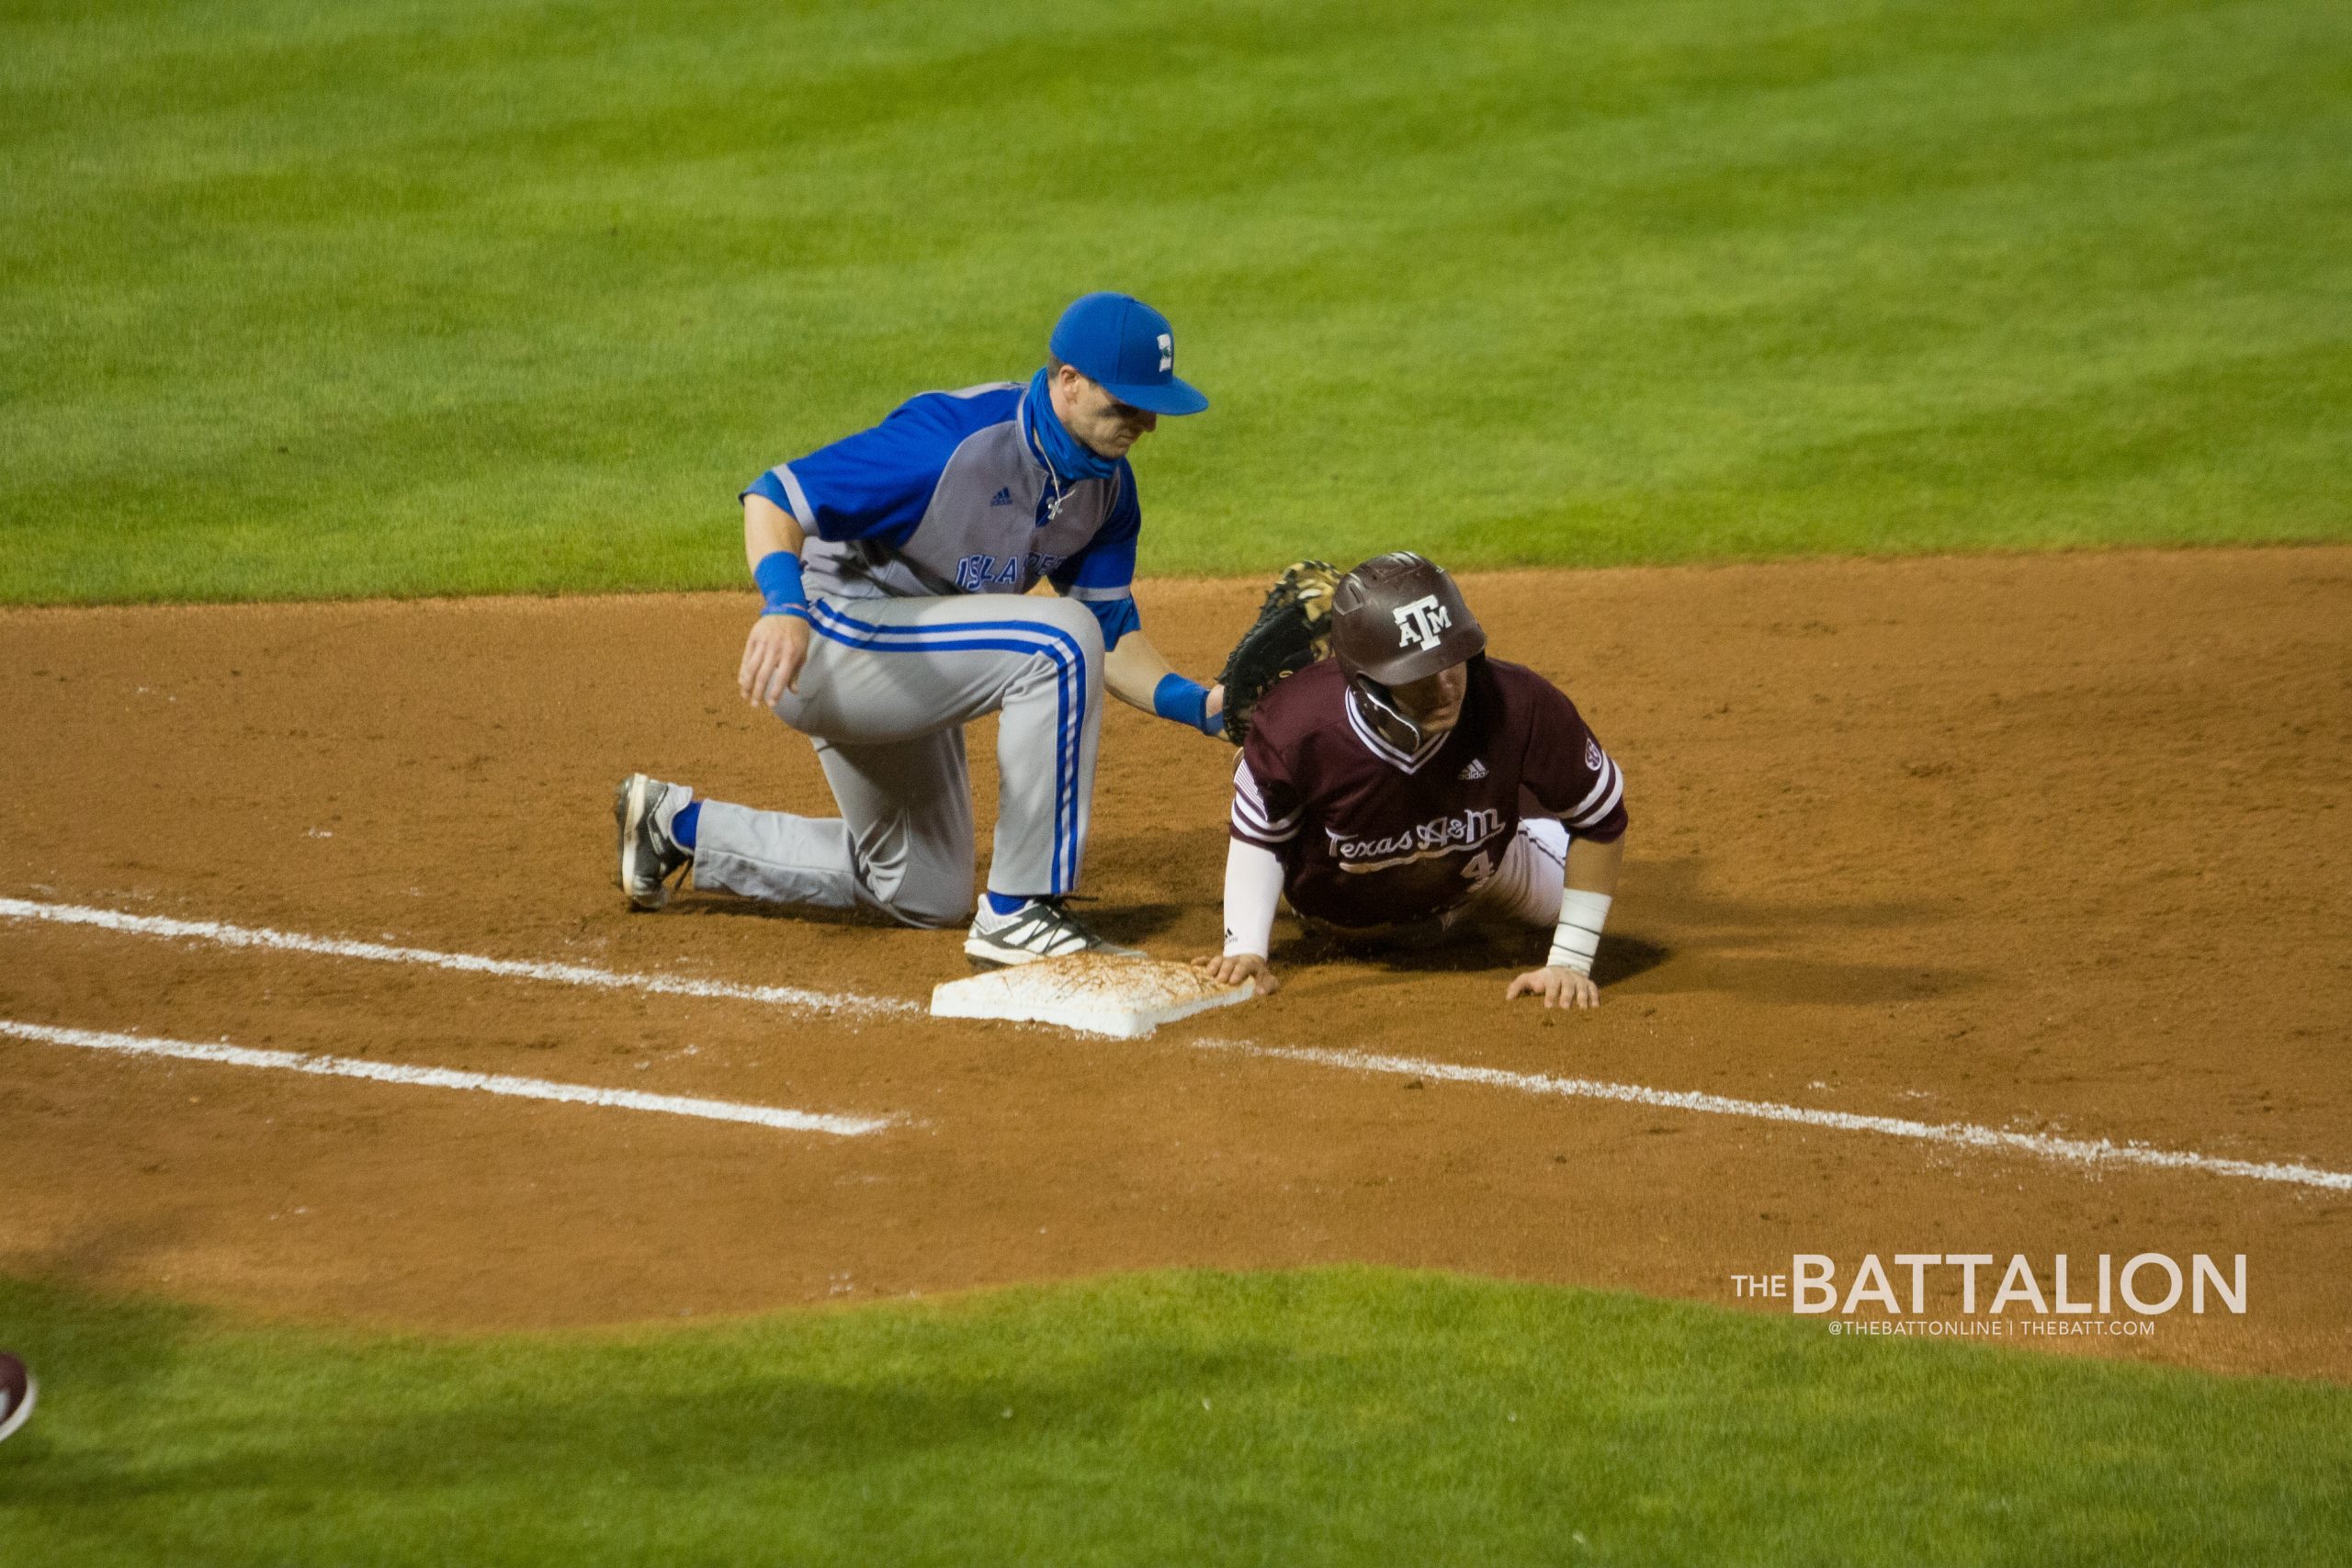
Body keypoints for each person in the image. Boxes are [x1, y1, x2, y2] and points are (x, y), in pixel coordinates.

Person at [616, 292, 1227, 965]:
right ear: (1069, 384)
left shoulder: (1106, 488)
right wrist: (784, 607)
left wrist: (1199, 705)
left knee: (923, 889)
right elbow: (774, 496)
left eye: (1152, 408)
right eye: (1128, 405)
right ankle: (1022, 909)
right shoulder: (951, 442)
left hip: (917, 659)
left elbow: (1108, 633)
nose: (1145, 423)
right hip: (829, 642)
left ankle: (675, 828)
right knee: (1055, 638)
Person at [1192, 552, 1628, 1008]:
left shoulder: (1521, 703)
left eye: (1452, 659)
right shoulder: (1296, 729)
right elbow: (1261, 837)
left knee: (1567, 894)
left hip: (1485, 879)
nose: (1444, 687)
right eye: (1419, 673)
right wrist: (1245, 948)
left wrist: (1570, 962)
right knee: (1285, 789)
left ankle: (1512, 801)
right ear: (1368, 681)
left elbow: (1599, 818)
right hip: (1334, 913)